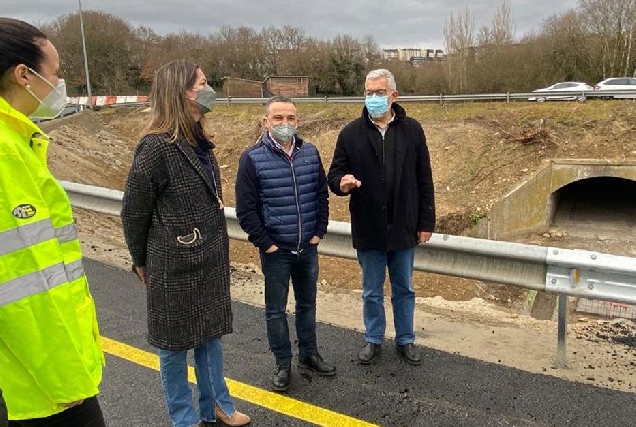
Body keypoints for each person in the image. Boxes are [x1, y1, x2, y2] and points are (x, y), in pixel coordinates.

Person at [120, 60, 249, 427]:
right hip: (172, 266)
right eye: (203, 84)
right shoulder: (155, 149)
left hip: (207, 260)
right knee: (173, 348)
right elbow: (134, 213)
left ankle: (217, 406)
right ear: (182, 93)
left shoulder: (199, 141)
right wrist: (140, 260)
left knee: (210, 338)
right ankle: (184, 418)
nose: (210, 90)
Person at [0, 18, 106, 426]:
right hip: (37, 386)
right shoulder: (7, 155)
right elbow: (23, 286)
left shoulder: (19, 143)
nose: (59, 83)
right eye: (55, 72)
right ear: (23, 75)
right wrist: (66, 381)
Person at [327, 69, 436, 366]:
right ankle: (373, 338)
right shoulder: (350, 133)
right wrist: (341, 183)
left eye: (379, 92)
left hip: (404, 226)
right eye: (368, 92)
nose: (373, 98)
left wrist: (426, 222)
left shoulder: (413, 130)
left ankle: (406, 339)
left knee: (404, 288)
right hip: (368, 226)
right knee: (372, 290)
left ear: (393, 96)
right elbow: (334, 174)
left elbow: (424, 178)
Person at [235, 96, 335, 392]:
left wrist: (319, 231)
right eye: (278, 118)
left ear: (298, 121)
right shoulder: (252, 158)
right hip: (276, 251)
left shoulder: (311, 153)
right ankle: (282, 363)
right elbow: (246, 210)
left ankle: (308, 354)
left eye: (290, 118)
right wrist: (266, 244)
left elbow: (321, 195)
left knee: (307, 304)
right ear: (266, 122)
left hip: (308, 247)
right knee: (276, 310)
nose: (285, 123)